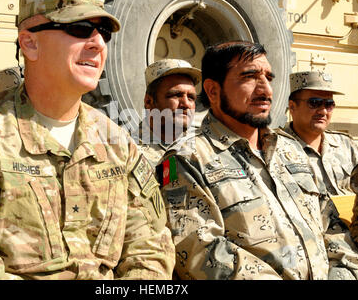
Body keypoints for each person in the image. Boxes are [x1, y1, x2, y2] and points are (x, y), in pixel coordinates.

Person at [0, 0, 175, 279]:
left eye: (104, 33)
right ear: (30, 43)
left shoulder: (116, 142)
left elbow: (152, 245)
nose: (98, 43)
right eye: (80, 28)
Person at [158, 40, 358, 279]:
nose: (265, 90)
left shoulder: (290, 150)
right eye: (250, 77)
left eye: (269, 78)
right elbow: (200, 251)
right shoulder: (187, 160)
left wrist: (343, 275)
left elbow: (331, 226)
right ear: (213, 91)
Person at [281, 71, 358, 198]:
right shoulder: (275, 148)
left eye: (329, 104)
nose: (323, 111)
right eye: (314, 103)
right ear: (292, 106)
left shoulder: (346, 145)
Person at [138, 59, 201, 167]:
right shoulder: (129, 151)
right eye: (176, 95)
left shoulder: (202, 146)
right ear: (149, 102)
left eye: (191, 97)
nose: (186, 104)